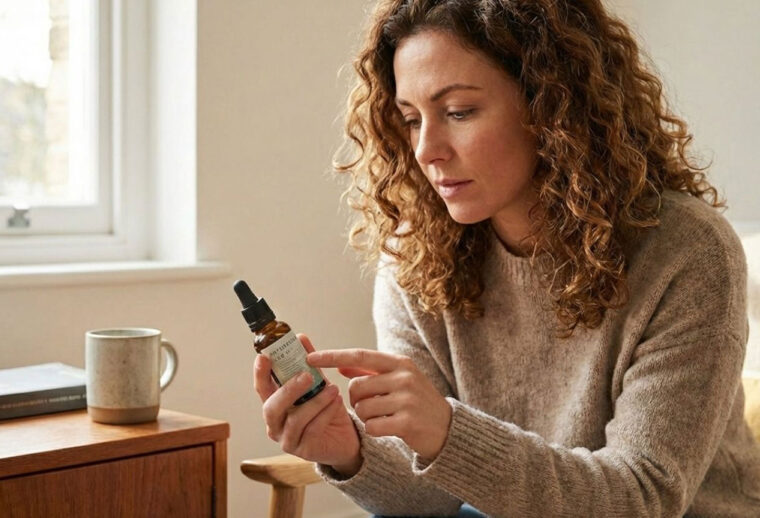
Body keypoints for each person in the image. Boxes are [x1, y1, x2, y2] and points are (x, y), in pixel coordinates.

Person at [253, 0, 760, 516]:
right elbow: (434, 498)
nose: (426, 150)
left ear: (552, 107)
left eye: (458, 112)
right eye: (411, 119)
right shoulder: (417, 255)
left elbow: (642, 498)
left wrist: (448, 432)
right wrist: (350, 452)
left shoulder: (688, 251)